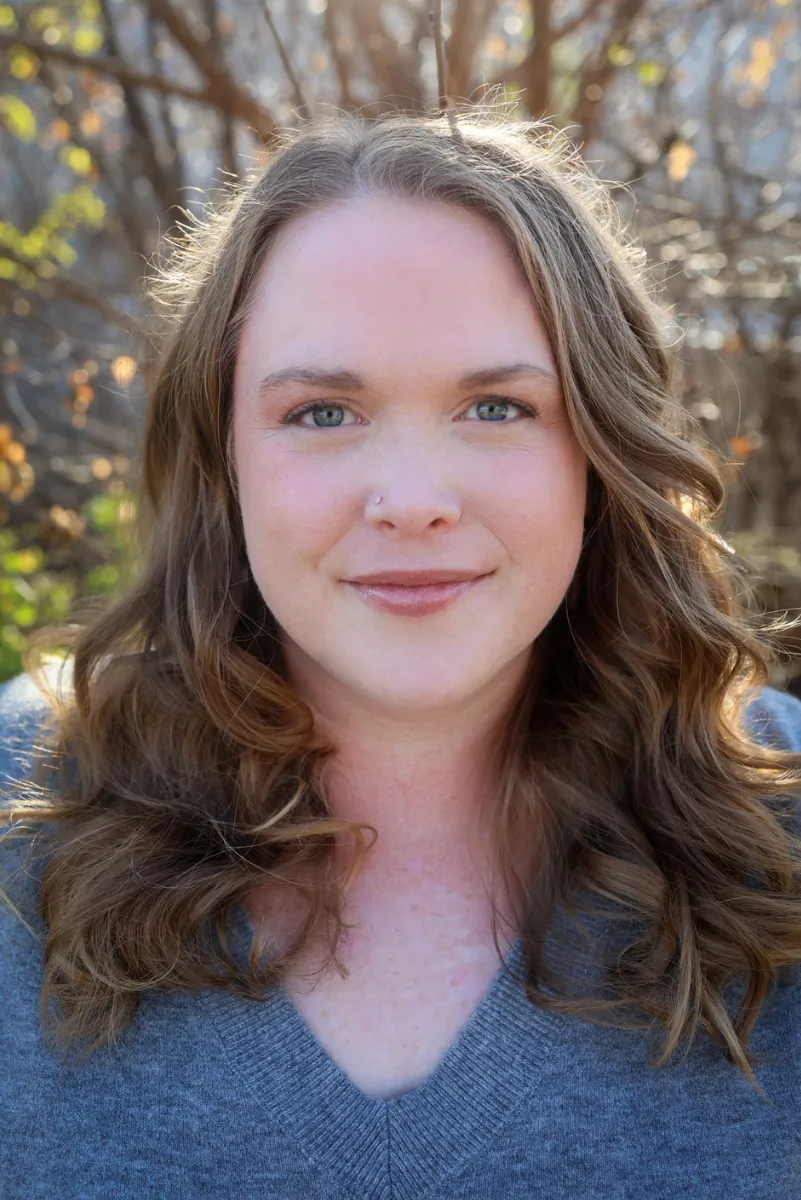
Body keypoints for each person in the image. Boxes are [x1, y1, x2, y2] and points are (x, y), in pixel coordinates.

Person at [2, 107, 801, 1200]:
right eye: (325, 413)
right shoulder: (21, 818)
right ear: (221, 457)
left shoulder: (783, 825)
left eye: (495, 405)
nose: (414, 502)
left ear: (602, 451)